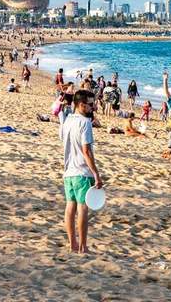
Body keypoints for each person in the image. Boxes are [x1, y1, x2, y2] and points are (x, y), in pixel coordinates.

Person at [59, 89, 103, 254]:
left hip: (68, 171)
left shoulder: (68, 120)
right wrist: (96, 174)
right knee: (82, 208)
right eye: (91, 104)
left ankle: (72, 244)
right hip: (82, 172)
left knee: (70, 206)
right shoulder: (85, 123)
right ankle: (83, 246)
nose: (93, 107)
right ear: (81, 104)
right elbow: (87, 151)